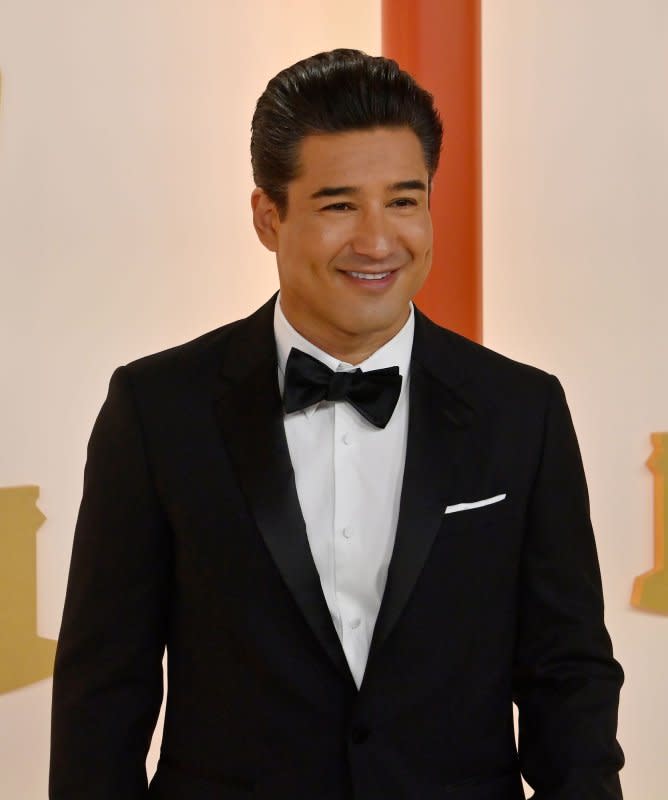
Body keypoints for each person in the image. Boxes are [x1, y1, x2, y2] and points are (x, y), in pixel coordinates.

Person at [49, 49, 624, 800]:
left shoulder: (523, 408)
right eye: (338, 205)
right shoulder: (157, 408)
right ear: (267, 216)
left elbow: (567, 677)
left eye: (405, 200)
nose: (379, 241)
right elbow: (105, 694)